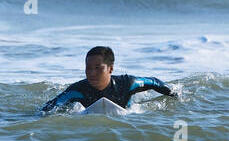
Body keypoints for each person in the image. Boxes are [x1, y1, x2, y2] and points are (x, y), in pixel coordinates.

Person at [41, 46, 177, 113]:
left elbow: (154, 82)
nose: (92, 73)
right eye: (88, 68)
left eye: (97, 68)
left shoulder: (127, 84)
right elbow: (49, 107)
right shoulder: (78, 90)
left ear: (110, 69)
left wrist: (174, 96)